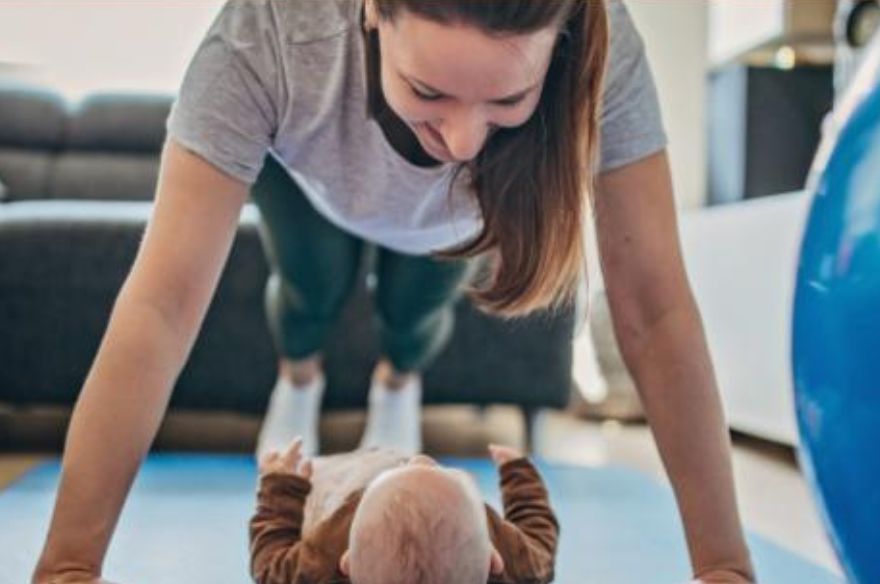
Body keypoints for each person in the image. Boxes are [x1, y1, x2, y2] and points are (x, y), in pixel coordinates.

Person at [32, 1, 756, 582]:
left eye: (509, 98)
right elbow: (161, 307)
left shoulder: (605, 51)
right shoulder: (267, 36)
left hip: (451, 221)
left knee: (413, 321)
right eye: (429, 91)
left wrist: (723, 566)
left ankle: (395, 382)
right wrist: (68, 564)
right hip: (309, 178)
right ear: (374, 11)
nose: (465, 138)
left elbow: (655, 311)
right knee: (308, 289)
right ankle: (300, 376)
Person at [251, 438, 557, 583]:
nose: (422, 456)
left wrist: (281, 487)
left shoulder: (327, 556)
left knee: (329, 474)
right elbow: (539, 538)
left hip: (347, 482)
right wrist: (519, 475)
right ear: (493, 559)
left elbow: (270, 565)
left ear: (347, 562)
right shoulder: (513, 564)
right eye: (444, 470)